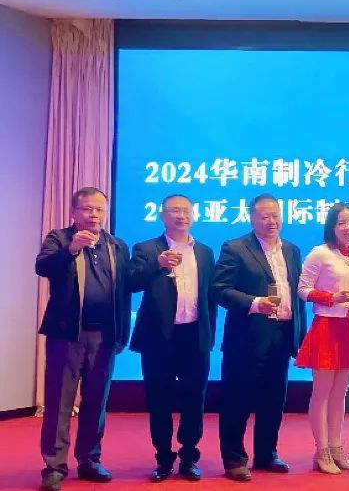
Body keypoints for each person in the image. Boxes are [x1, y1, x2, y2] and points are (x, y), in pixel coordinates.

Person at [35, 187, 132, 491]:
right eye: (88, 209)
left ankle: (89, 460)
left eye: (99, 210)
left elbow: (126, 288)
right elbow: (42, 266)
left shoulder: (116, 245)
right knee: (59, 402)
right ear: (74, 212)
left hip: (104, 337)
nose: (94, 215)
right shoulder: (59, 238)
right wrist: (71, 250)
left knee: (96, 402)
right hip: (67, 335)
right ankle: (54, 466)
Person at [212, 194, 306, 482]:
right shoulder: (235, 248)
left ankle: (266, 453)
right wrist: (254, 303)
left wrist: (300, 335)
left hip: (282, 336)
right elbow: (219, 290)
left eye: (275, 215)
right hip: (246, 338)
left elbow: (296, 296)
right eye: (264, 216)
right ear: (252, 218)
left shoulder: (291, 250)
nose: (271, 221)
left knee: (273, 399)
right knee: (237, 400)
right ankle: (234, 459)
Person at [127, 194, 216, 482]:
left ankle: (189, 458)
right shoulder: (147, 248)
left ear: (194, 215)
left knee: (194, 400)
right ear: (163, 216)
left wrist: (209, 334)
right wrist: (158, 264)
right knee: (159, 401)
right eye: (175, 211)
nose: (181, 216)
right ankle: (163, 459)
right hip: (159, 338)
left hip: (194, 336)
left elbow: (210, 297)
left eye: (186, 211)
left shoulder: (204, 252)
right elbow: (131, 281)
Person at [295, 202, 349, 474]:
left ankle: (337, 447)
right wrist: (332, 298)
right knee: (322, 393)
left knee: (340, 393)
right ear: (331, 226)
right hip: (327, 326)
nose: (347, 227)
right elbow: (303, 289)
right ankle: (322, 451)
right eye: (341, 223)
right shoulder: (319, 253)